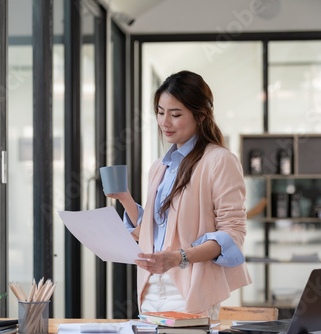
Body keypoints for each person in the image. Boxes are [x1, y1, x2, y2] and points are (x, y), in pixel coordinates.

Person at [106, 70, 251, 319]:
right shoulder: (159, 167)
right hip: (150, 289)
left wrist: (178, 258)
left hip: (191, 289)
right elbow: (150, 232)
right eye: (160, 113)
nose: (165, 122)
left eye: (175, 114)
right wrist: (125, 199)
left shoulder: (219, 161)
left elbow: (232, 234)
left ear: (201, 114)